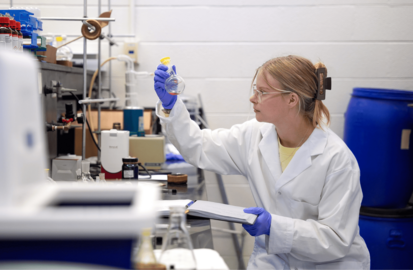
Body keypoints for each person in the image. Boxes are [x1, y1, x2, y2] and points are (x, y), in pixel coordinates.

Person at [153, 55, 370, 269]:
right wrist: (172, 104)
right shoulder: (254, 135)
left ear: (292, 100)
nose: (253, 98)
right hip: (273, 262)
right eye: (255, 90)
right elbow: (199, 146)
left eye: (263, 92)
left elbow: (335, 240)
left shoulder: (337, 159)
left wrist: (274, 226)